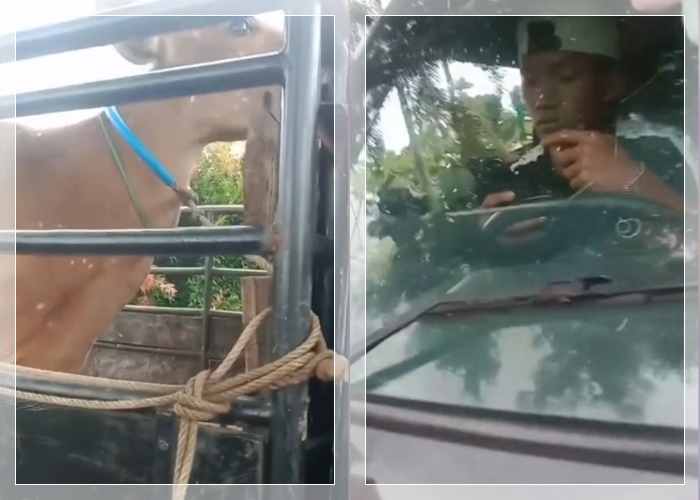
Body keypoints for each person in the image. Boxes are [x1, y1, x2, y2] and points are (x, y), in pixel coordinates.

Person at [478, 16, 685, 231]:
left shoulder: (669, 154)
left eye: (565, 77)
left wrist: (637, 182)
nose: (541, 100)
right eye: (530, 81)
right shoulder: (514, 181)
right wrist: (492, 236)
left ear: (612, 84)